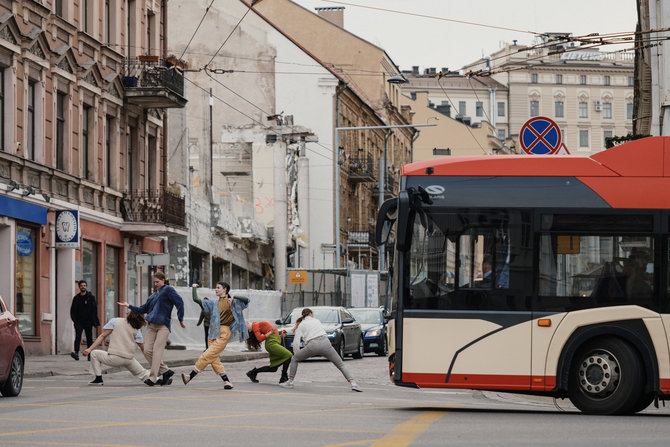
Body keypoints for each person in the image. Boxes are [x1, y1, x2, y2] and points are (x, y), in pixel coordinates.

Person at [119, 271, 185, 386]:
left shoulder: (168, 290)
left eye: (157, 282)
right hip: (152, 325)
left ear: (163, 280)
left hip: (164, 325)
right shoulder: (153, 295)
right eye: (154, 282)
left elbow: (180, 302)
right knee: (147, 350)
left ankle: (153, 377)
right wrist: (129, 305)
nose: (155, 284)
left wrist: (180, 318)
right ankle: (166, 371)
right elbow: (143, 309)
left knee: (157, 351)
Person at [181, 282, 249, 389]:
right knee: (214, 359)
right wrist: (194, 288)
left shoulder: (233, 302)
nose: (216, 290)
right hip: (212, 333)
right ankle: (227, 381)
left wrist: (235, 296)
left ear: (225, 289)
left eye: (218, 288)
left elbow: (247, 300)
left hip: (224, 332)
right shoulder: (213, 303)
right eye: (215, 288)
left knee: (207, 355)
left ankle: (190, 376)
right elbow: (196, 299)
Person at [279, 308, 362, 392]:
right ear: (311, 314)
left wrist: (297, 354)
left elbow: (296, 341)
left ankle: (290, 381)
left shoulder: (301, 325)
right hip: (326, 343)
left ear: (303, 315)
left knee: (294, 359)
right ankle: (353, 383)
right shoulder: (316, 321)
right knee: (340, 364)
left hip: (312, 345)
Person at [82, 311, 150, 386]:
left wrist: (90, 349)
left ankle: (98, 379)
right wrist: (152, 362)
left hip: (115, 358)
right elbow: (143, 348)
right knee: (142, 372)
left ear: (129, 314)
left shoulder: (115, 321)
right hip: (129, 359)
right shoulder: (136, 329)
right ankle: (156, 379)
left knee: (94, 353)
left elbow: (102, 336)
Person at [70, 280, 100, 361]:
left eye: (84, 285)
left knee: (89, 338)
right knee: (78, 337)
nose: (83, 287)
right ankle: (76, 353)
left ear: (86, 286)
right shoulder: (76, 298)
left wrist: (94, 320)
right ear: (79, 287)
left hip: (88, 322)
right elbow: (72, 311)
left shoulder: (91, 297)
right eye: (81, 285)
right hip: (79, 322)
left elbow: (94, 309)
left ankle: (90, 354)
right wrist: (75, 321)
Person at [191, 284, 211, 350]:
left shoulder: (208, 309)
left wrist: (198, 323)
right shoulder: (207, 309)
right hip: (208, 325)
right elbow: (201, 317)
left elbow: (201, 318)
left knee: (208, 336)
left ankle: (208, 348)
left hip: (209, 325)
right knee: (208, 336)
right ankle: (207, 348)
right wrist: (198, 323)